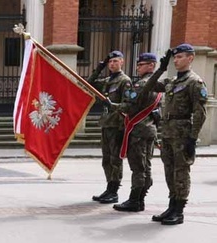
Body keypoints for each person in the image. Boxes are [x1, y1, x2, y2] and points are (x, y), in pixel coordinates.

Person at [140, 44, 208, 225]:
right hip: (168, 133)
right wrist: (161, 69)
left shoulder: (195, 82)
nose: (176, 60)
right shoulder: (171, 82)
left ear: (190, 58)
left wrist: (192, 139)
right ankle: (171, 205)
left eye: (180, 57)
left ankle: (179, 210)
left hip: (183, 133)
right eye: (175, 58)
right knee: (169, 170)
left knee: (181, 172)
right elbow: (147, 87)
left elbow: (200, 113)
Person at [112, 52, 161, 213]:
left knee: (138, 168)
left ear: (151, 66)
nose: (138, 68)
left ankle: (135, 200)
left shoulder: (142, 84)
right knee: (146, 166)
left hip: (138, 130)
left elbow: (130, 107)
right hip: (150, 129)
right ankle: (140, 199)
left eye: (141, 65)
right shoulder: (158, 85)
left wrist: (113, 105)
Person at [87, 50, 133, 204]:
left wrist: (112, 105)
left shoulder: (124, 81)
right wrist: (99, 67)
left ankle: (114, 191)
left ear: (122, 62)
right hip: (107, 124)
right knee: (106, 159)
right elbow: (88, 83)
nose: (112, 64)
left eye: (115, 61)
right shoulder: (108, 80)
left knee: (115, 159)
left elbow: (128, 105)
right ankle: (109, 188)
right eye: (110, 62)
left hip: (117, 125)